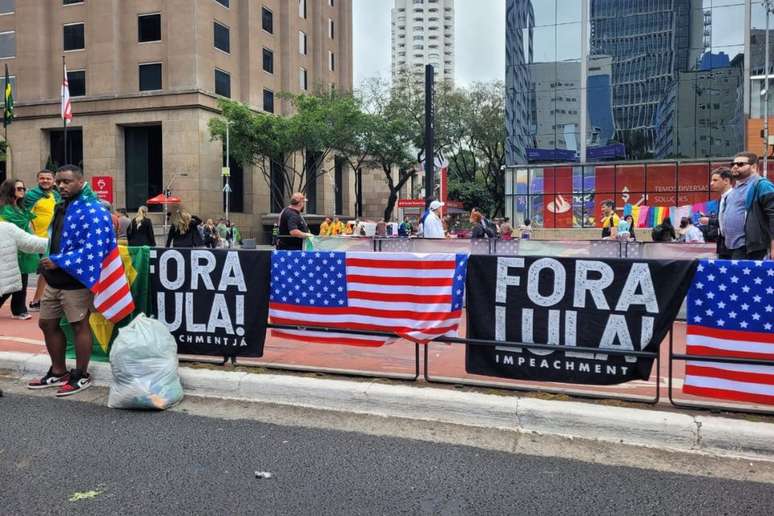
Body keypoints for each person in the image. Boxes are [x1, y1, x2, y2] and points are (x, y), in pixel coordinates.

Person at [28, 165, 107, 395]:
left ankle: (81, 375)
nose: (61, 186)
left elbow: (94, 248)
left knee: (78, 325)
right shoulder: (61, 206)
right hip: (53, 278)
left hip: (76, 279)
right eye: (58, 182)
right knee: (46, 323)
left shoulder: (94, 210)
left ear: (81, 182)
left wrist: (60, 261)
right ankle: (58, 371)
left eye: (67, 182)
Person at [721, 152, 774, 260]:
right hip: (730, 248)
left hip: (751, 249)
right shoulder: (733, 190)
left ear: (754, 167)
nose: (735, 166)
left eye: (740, 164)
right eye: (733, 164)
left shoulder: (762, 185)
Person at [0, 179, 39, 320]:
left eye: (23, 188)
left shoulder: (21, 208)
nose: (23, 191)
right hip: (9, 248)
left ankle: (19, 309)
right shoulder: (3, 208)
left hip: (24, 248)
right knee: (9, 280)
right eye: (19, 188)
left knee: (23, 278)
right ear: (10, 190)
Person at [23, 169, 61, 312]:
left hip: (52, 239)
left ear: (53, 181)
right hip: (35, 239)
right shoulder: (30, 196)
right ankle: (28, 302)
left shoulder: (57, 196)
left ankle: (37, 301)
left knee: (47, 271)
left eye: (48, 178)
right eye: (42, 178)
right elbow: (24, 215)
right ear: (38, 180)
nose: (45, 181)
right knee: (29, 271)